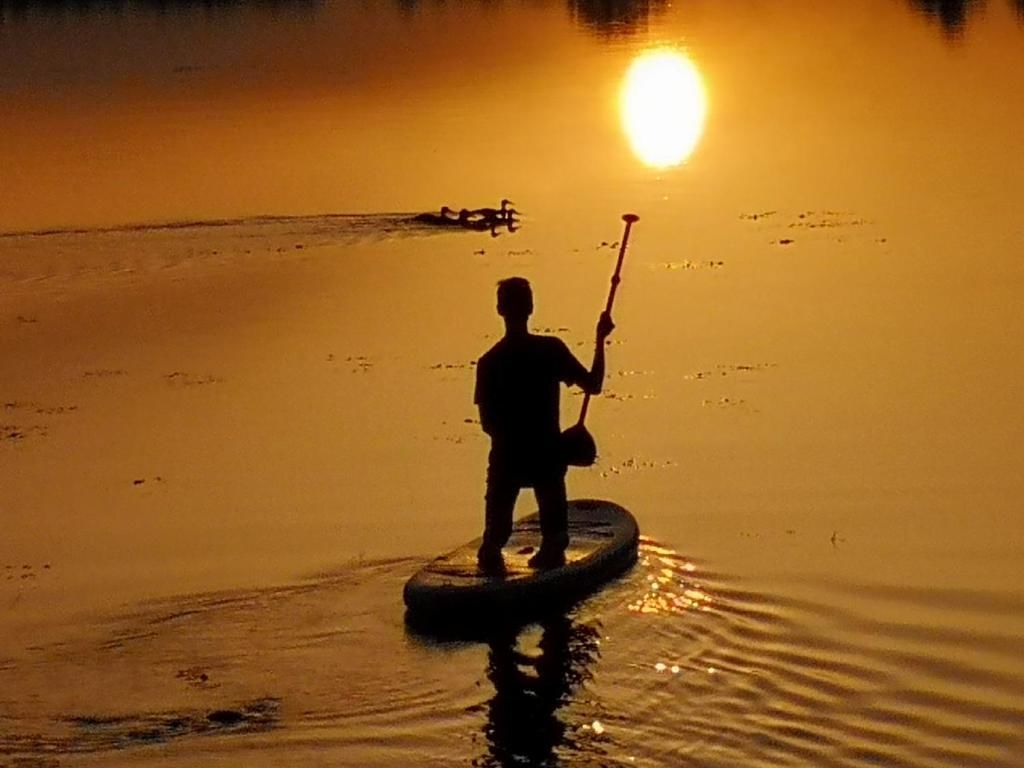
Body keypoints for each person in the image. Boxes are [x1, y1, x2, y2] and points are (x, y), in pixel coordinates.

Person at [474, 277, 614, 572]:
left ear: (500, 310)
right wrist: (600, 340)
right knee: (555, 539)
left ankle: (492, 552)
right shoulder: (550, 350)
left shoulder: (488, 363)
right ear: (531, 308)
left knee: (494, 540)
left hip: (506, 460)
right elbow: (594, 384)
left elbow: (487, 424)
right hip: (545, 457)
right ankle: (551, 548)